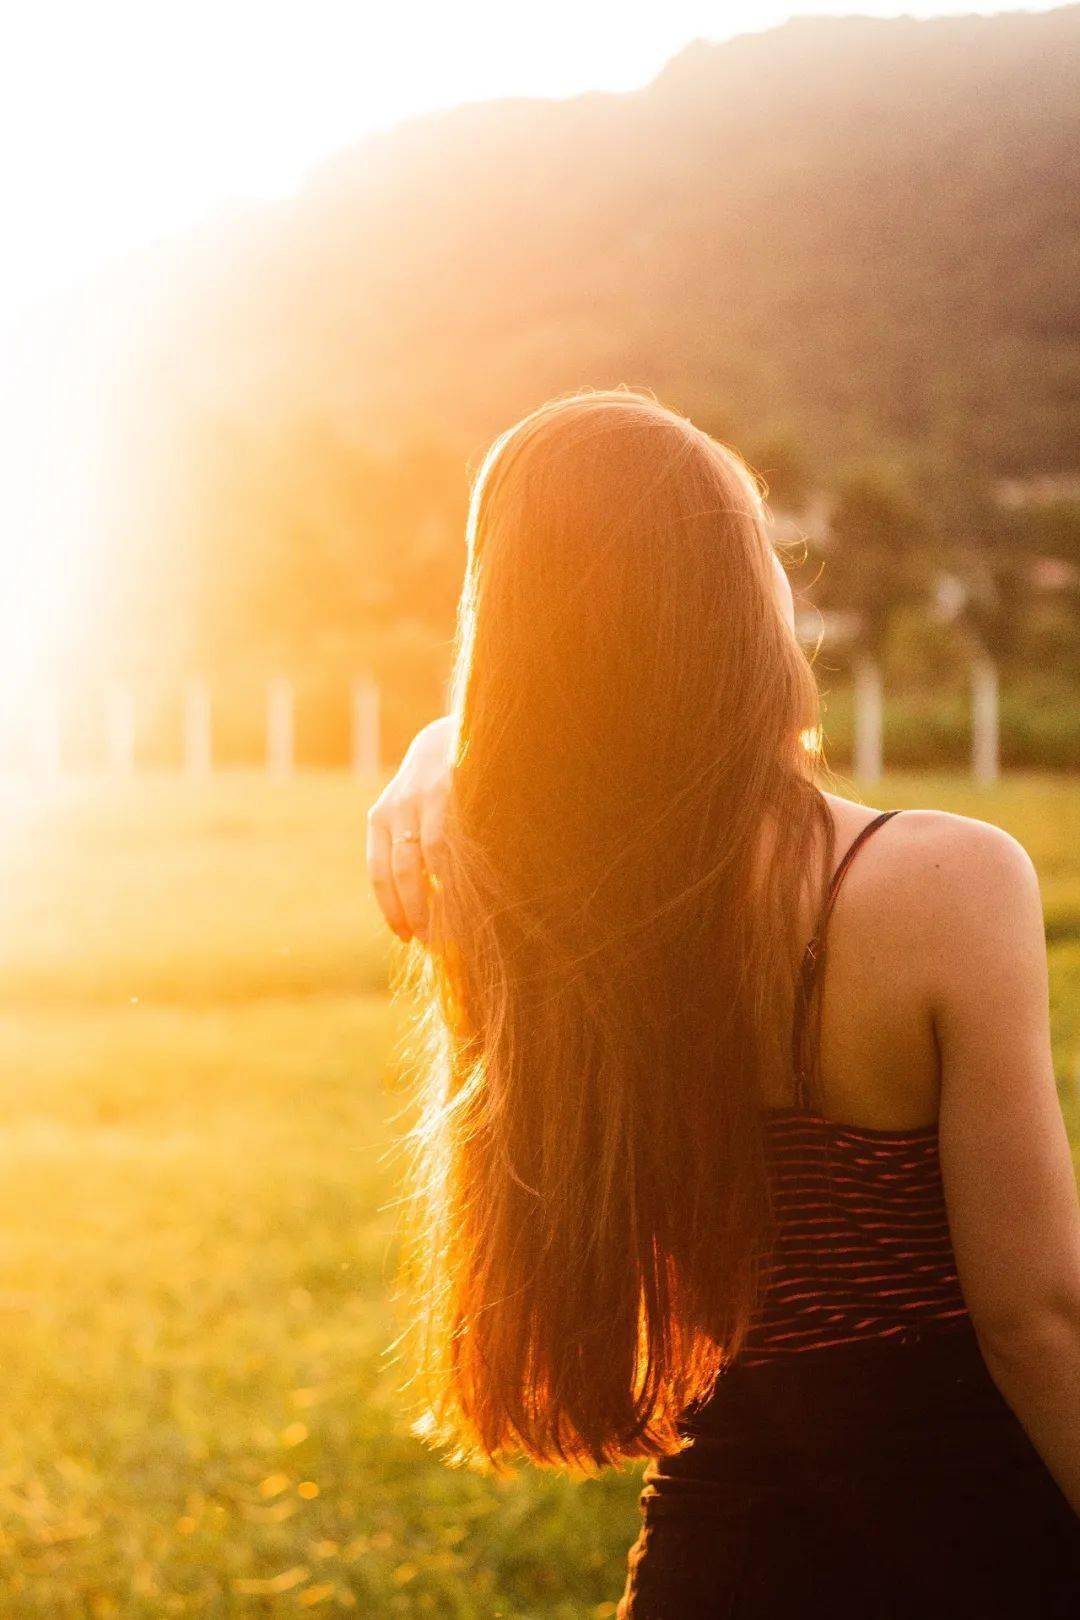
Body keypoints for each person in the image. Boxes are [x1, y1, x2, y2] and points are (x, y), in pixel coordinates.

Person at [365, 386, 1080, 1616]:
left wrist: (443, 744)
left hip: (729, 1523)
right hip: (984, 1515)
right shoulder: (947, 881)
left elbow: (536, 747)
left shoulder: (505, 896)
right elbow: (1037, 1318)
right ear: (741, 599)